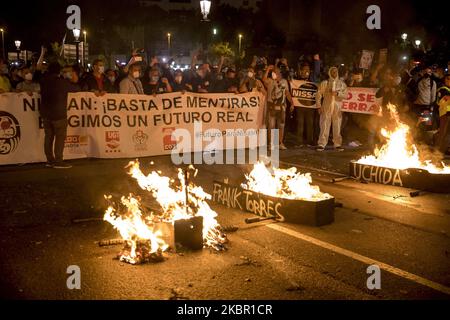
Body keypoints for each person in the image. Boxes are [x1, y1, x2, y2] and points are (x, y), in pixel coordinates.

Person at [39, 63, 80, 168]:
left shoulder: (43, 80)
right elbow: (76, 88)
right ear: (59, 72)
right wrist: (72, 75)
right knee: (60, 138)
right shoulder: (61, 82)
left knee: (48, 137)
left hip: (45, 114)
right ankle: (58, 161)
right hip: (58, 114)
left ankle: (49, 160)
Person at [316, 67, 348, 151]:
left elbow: (346, 95)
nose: (334, 73)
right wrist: (318, 106)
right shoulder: (325, 83)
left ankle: (337, 144)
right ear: (330, 73)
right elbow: (318, 95)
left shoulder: (342, 84)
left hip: (337, 108)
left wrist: (337, 93)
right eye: (333, 72)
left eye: (335, 71)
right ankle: (322, 143)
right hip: (326, 107)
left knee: (337, 125)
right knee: (324, 125)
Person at [263, 65, 294, 150]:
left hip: (282, 107)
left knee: (281, 125)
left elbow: (287, 93)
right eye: (273, 72)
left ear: (279, 73)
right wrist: (268, 69)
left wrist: (292, 103)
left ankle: (280, 143)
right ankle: (271, 144)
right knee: (271, 126)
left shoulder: (284, 81)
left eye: (276, 72)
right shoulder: (270, 81)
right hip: (272, 107)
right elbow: (264, 79)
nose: (274, 73)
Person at [294, 62, 315, 147]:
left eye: (308, 70)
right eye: (305, 69)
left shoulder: (312, 80)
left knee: (310, 124)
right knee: (300, 124)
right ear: (301, 71)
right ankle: (299, 142)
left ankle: (310, 141)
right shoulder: (297, 80)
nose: (307, 71)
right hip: (300, 106)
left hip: (310, 106)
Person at [436, 74, 450, 154]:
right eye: (448, 78)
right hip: (445, 114)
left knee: (447, 136)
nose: (449, 80)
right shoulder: (443, 89)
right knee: (443, 135)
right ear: (444, 80)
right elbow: (444, 99)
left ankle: (440, 154)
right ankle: (437, 153)